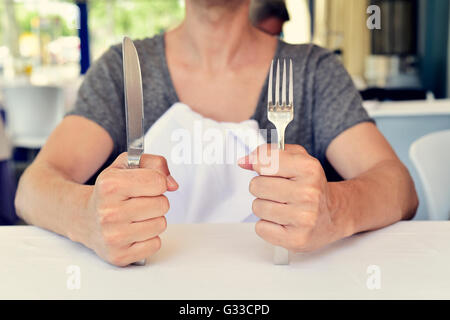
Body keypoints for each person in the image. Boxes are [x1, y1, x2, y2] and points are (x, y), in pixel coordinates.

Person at [15, 0, 418, 267]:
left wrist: (336, 208)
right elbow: (33, 187)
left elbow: (398, 187)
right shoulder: (123, 69)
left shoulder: (312, 70)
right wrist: (85, 216)